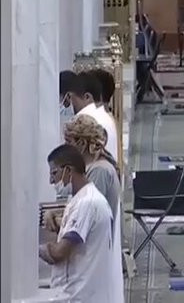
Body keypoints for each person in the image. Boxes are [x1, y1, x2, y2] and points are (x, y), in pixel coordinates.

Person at [41, 144, 119, 303]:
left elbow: (59, 253)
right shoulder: (82, 199)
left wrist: (30, 250)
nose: (51, 181)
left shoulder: (86, 202)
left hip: (81, 295)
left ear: (68, 171)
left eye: (54, 173)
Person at [60, 117, 122, 303]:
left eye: (69, 143)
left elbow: (86, 214)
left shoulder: (99, 171)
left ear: (81, 144)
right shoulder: (94, 168)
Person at [62, 72, 119, 162]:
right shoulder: (103, 116)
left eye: (70, 97)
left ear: (87, 97)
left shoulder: (86, 121)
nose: (69, 103)